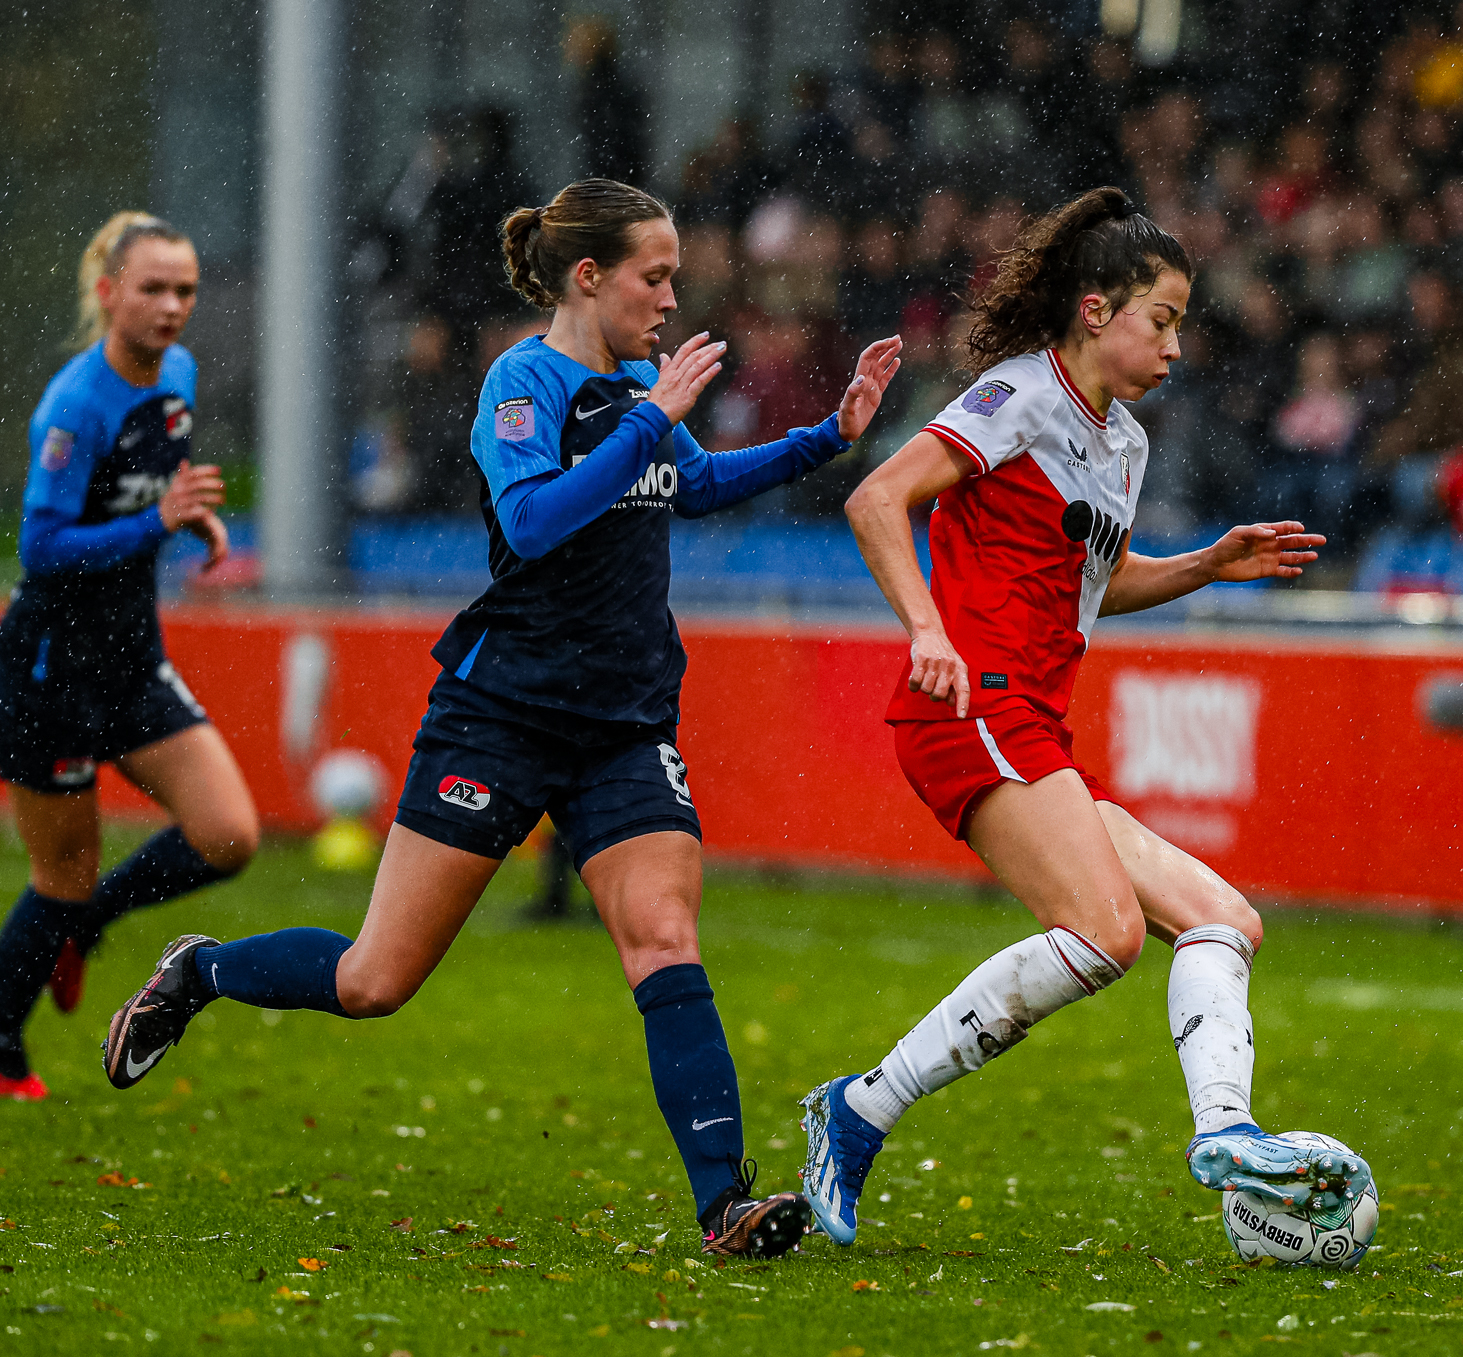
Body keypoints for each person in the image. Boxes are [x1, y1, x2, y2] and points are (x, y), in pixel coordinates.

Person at [98, 179, 903, 1257]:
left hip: (622, 721)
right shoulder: (520, 385)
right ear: (589, 277)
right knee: (372, 980)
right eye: (651, 276)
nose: (670, 297)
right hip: (500, 714)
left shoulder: (631, 386)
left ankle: (725, 1205)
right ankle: (201, 970)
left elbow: (693, 484)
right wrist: (651, 420)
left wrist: (824, 438)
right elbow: (530, 524)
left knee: (663, 938)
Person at [794, 188, 1367, 1247]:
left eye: (1183, 323)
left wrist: (1205, 565)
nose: (1176, 345)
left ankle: (1226, 1135)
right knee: (1104, 932)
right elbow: (876, 499)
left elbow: (1091, 585)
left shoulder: (1125, 448)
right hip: (967, 704)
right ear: (1096, 310)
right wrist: (926, 630)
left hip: (1031, 727)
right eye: (1163, 318)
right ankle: (860, 1108)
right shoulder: (1016, 395)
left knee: (1222, 920)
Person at [0, 211, 256, 1101]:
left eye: (186, 291)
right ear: (107, 294)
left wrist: (189, 516)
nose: (174, 307)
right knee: (60, 873)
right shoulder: (72, 406)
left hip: (132, 656)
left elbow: (148, 492)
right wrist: (155, 523)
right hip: (50, 669)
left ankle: (89, 921)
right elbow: (42, 546)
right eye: (154, 289)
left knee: (229, 836)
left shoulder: (179, 373)